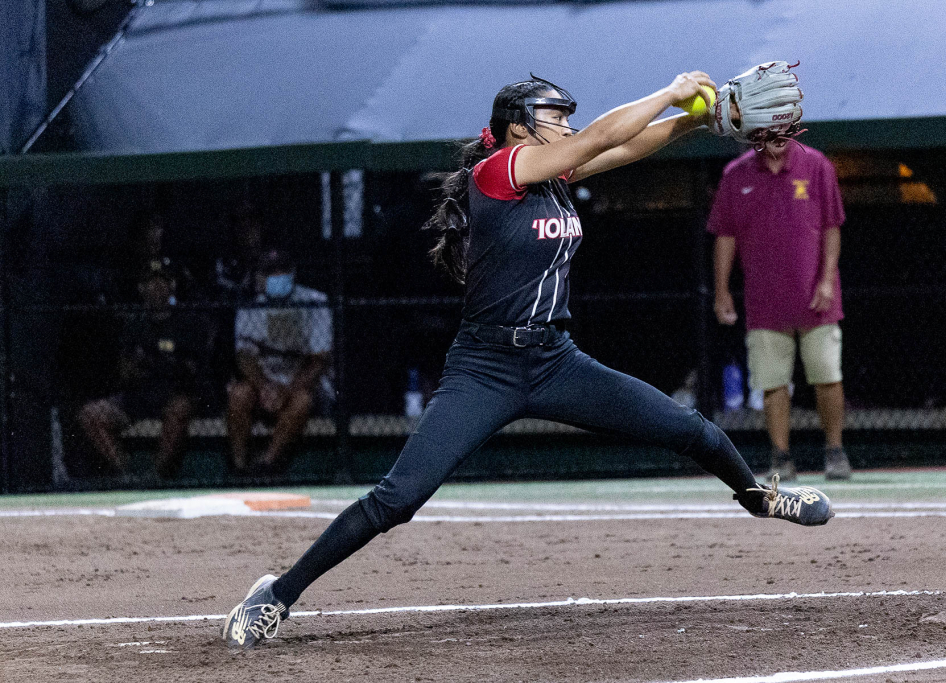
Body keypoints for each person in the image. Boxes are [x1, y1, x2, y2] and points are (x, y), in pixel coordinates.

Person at [222, 72, 834, 649]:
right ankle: (275, 594)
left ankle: (756, 496)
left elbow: (624, 148)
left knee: (688, 428)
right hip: (485, 367)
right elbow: (600, 136)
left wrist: (697, 123)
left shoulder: (552, 177)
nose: (567, 124)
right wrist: (672, 93)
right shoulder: (500, 169)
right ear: (517, 125)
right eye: (553, 115)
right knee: (395, 500)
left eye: (568, 116)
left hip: (554, 360)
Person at [708, 136, 851, 481]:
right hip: (764, 301)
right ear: (755, 134)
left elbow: (832, 226)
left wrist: (827, 280)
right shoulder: (734, 175)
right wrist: (722, 290)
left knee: (827, 376)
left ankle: (835, 452)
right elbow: (724, 236)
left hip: (817, 299)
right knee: (772, 384)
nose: (777, 138)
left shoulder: (817, 165)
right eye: (768, 130)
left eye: (785, 128)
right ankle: (781, 458)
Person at [78, 259, 206, 480]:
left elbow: (191, 369)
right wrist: (155, 362)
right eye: (150, 283)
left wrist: (156, 361)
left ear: (172, 286)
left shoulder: (188, 321)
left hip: (174, 392)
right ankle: (128, 476)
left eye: (162, 282)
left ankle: (155, 477)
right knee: (90, 414)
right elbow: (126, 372)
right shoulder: (133, 323)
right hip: (140, 394)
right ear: (141, 288)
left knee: (179, 408)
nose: (156, 288)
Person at [226, 249, 333, 473]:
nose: (277, 275)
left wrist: (286, 390)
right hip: (263, 383)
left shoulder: (315, 302)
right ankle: (239, 468)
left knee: (302, 400)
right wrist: (266, 386)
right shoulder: (250, 306)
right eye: (270, 271)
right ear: (259, 276)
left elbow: (319, 359)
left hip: (300, 382)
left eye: (282, 270)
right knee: (238, 393)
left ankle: (267, 465)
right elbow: (244, 356)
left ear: (293, 273)